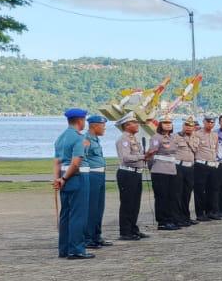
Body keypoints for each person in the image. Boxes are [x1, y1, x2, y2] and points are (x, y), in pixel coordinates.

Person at [53, 108, 92, 260]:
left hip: (63, 176)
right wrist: (64, 179)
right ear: (80, 121)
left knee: (66, 214)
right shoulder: (78, 138)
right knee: (78, 215)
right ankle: (76, 249)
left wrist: (58, 179)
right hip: (77, 177)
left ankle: (64, 248)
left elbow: (56, 162)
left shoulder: (60, 138)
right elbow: (76, 163)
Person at [114, 115, 153, 241]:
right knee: (127, 203)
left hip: (136, 173)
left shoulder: (134, 139)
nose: (137, 125)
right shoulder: (123, 140)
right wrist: (143, 156)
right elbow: (125, 158)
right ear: (126, 125)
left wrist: (145, 156)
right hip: (127, 173)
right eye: (134, 123)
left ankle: (133, 228)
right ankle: (125, 231)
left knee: (135, 203)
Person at [81, 111, 112, 251]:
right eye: (102, 126)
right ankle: (88, 238)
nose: (104, 128)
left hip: (99, 175)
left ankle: (96, 236)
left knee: (99, 208)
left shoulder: (95, 139)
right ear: (94, 126)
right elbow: (81, 157)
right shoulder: (86, 139)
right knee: (91, 208)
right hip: (92, 175)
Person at [149, 116, 183, 231]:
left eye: (170, 123)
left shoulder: (172, 137)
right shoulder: (156, 137)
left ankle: (171, 219)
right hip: (160, 169)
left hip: (171, 169)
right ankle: (162, 221)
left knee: (171, 196)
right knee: (161, 197)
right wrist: (152, 167)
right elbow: (151, 154)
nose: (168, 125)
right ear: (160, 125)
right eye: (165, 123)